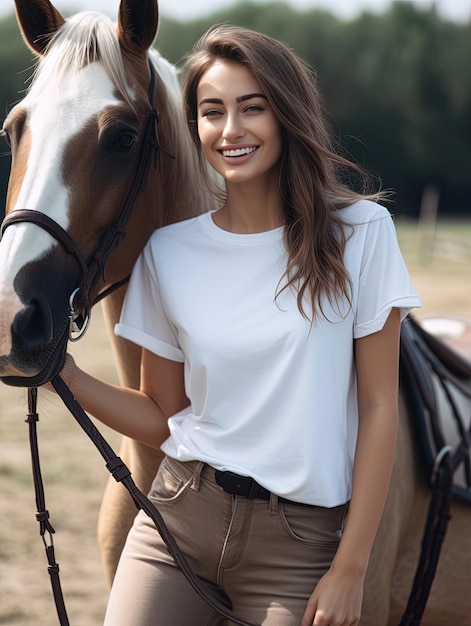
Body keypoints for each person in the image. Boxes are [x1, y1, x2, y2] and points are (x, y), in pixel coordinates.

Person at [55, 25, 421, 626]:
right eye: (211, 112)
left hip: (299, 542)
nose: (231, 131)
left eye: (253, 108)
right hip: (179, 516)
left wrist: (351, 568)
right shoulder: (168, 253)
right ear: (193, 126)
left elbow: (380, 407)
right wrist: (64, 375)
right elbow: (160, 413)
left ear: (287, 114)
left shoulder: (359, 235)